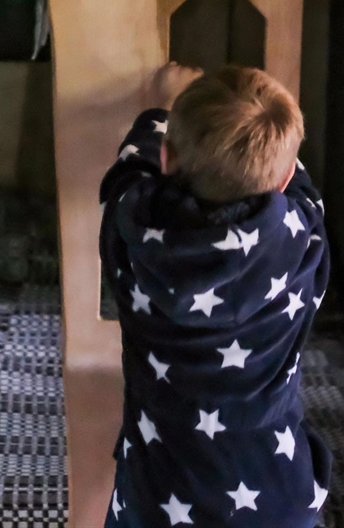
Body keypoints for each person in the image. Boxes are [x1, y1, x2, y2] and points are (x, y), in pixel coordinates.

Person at [100, 63, 331, 527]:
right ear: (283, 181)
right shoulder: (305, 242)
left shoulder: (132, 233)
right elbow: (299, 184)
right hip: (273, 492)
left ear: (166, 160)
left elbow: (129, 169)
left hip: (161, 497)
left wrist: (157, 107)